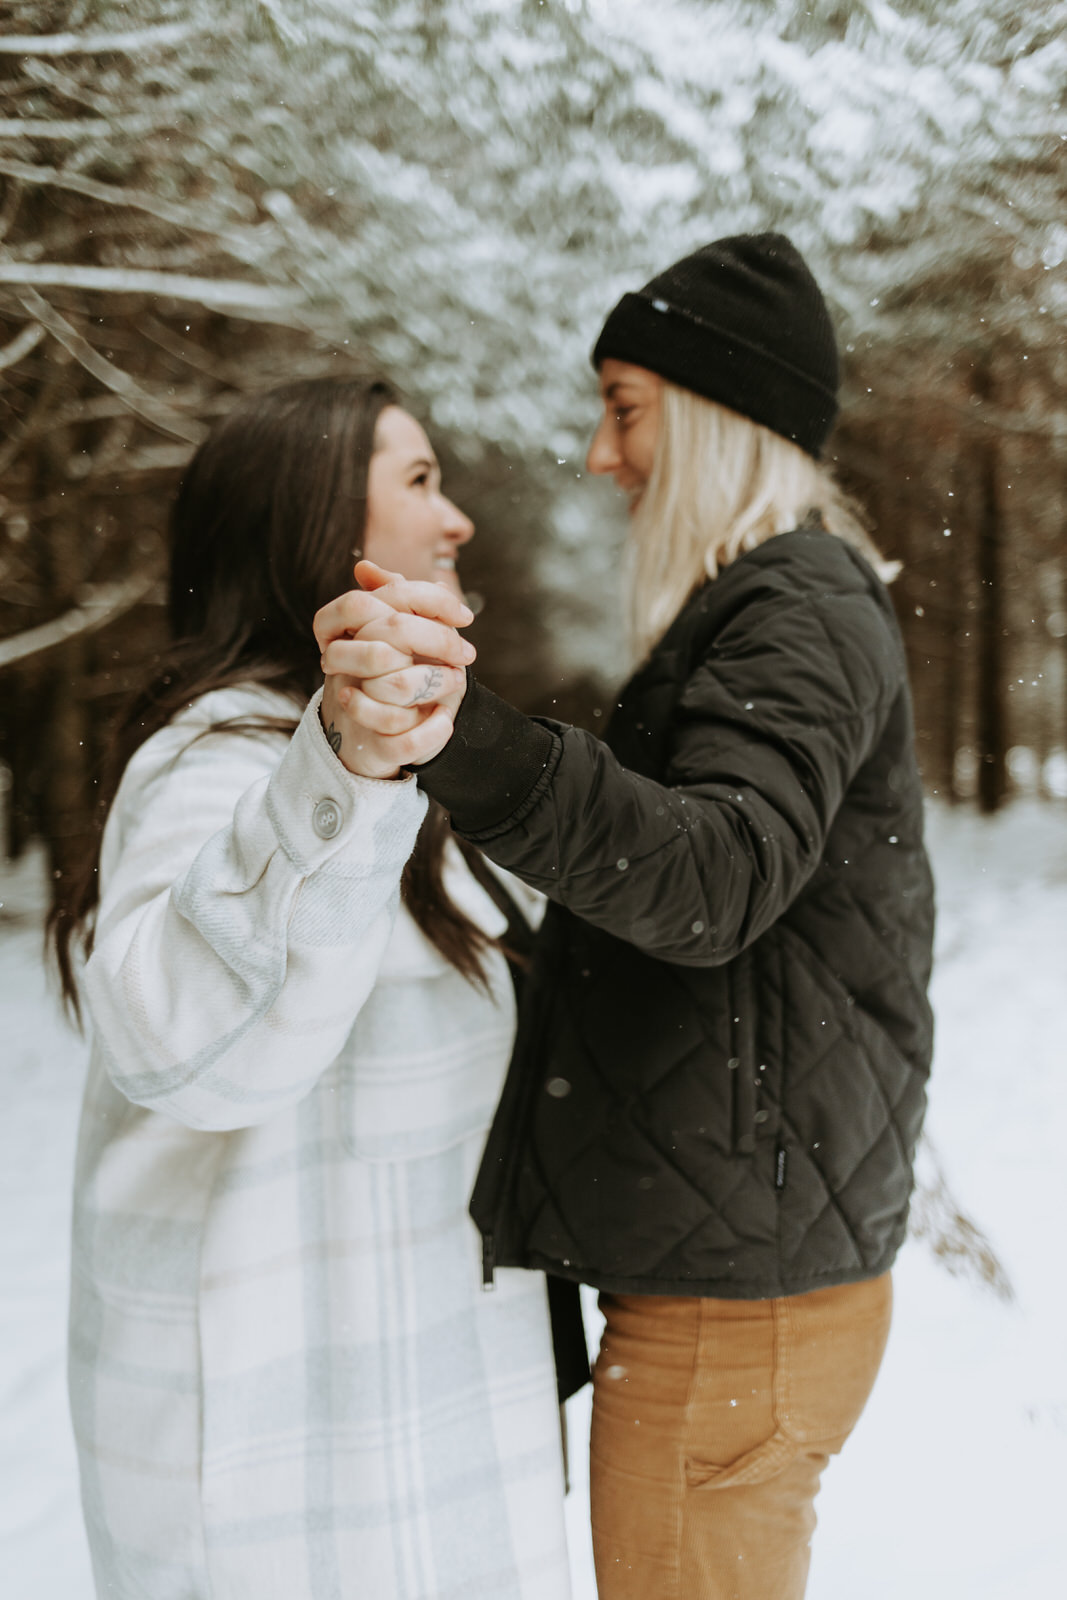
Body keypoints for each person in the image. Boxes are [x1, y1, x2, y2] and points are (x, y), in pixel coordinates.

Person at [323, 234, 936, 1600]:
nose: (600, 455)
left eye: (624, 406)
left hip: (738, 1302)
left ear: (720, 416)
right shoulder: (765, 606)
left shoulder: (794, 603)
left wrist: (462, 741)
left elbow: (710, 877)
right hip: (736, 1271)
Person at [50, 378, 583, 1600]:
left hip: (416, 1448)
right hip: (277, 1487)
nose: (454, 522)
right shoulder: (220, 760)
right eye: (417, 482)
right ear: (316, 535)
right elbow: (186, 1046)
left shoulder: (389, 766)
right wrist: (340, 764)